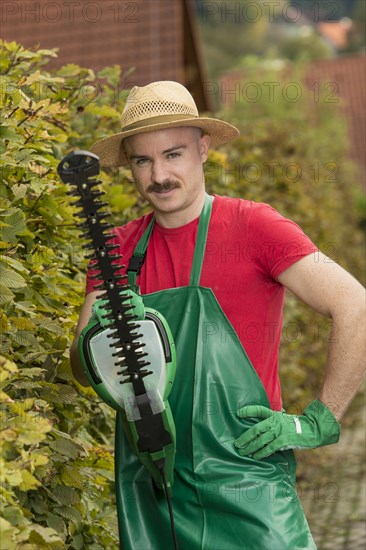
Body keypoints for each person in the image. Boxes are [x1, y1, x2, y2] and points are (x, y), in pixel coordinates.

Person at [70, 81, 365, 549]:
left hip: (246, 475)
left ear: (203, 148)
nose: (159, 175)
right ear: (128, 165)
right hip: (153, 485)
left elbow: (355, 305)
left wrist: (319, 419)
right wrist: (102, 333)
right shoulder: (118, 251)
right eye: (143, 161)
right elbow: (84, 373)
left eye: (173, 154)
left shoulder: (254, 226)